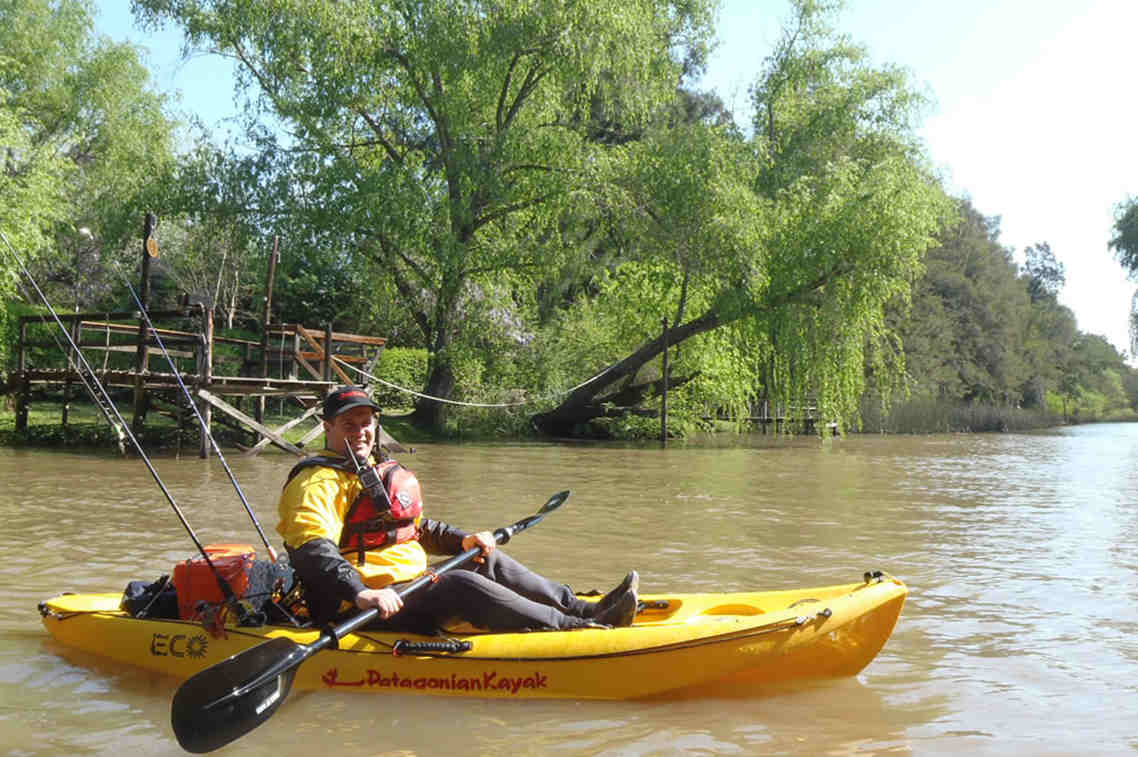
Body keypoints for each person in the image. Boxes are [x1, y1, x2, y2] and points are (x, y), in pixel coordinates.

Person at [276, 385, 638, 633]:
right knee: (458, 584)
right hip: (361, 604)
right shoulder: (316, 482)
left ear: (375, 425)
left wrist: (461, 541)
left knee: (484, 560)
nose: (360, 432)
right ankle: (578, 628)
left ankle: (583, 608)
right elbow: (311, 550)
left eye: (366, 423)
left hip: (404, 585)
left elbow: (413, 527)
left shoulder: (370, 470)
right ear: (328, 428)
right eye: (348, 425)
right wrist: (359, 591)